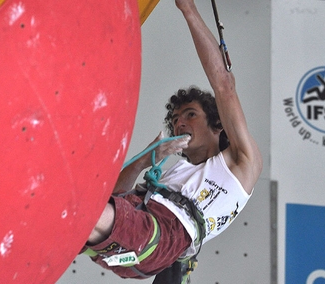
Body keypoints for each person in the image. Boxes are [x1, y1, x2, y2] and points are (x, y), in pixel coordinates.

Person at [80, 0, 263, 283]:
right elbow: (113, 198)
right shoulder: (172, 174)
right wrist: (142, 160)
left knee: (83, 214)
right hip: (136, 235)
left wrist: (187, 9)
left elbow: (224, 86)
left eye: (190, 115)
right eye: (177, 118)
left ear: (217, 124)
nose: (180, 123)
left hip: (161, 238)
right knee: (77, 213)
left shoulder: (242, 163)